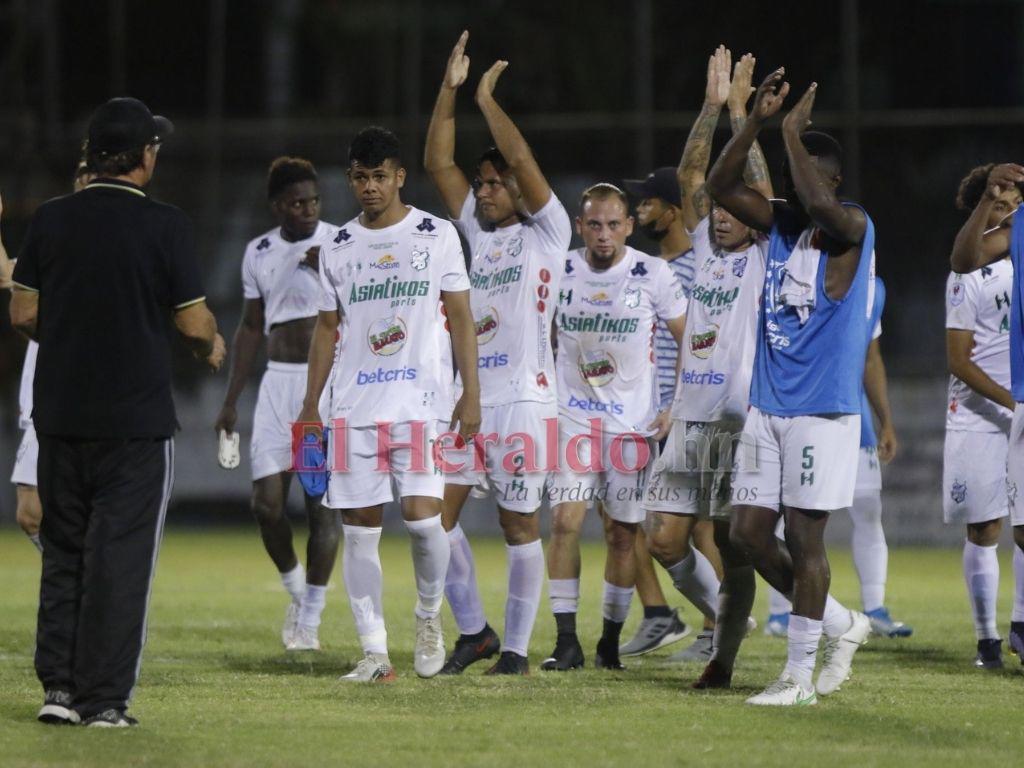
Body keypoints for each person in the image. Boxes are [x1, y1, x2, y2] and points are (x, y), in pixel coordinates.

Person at [10, 97, 225, 727]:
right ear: (144, 157)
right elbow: (191, 321)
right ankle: (104, 701)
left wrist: (77, 333)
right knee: (120, 561)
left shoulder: (49, 220)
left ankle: (59, 691)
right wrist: (209, 341)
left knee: (65, 555)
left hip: (60, 418)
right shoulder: (166, 226)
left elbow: (22, 314)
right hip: (133, 425)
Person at [706, 71, 873, 706]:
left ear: (827, 179)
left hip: (821, 412)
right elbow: (721, 186)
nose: (796, 188)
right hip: (767, 406)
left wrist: (794, 136)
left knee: (806, 541)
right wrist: (753, 121)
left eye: (807, 173)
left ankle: (797, 677)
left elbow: (824, 206)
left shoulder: (853, 224)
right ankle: (840, 624)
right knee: (746, 535)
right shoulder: (778, 224)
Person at [298, 125, 481, 682]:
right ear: (350, 178)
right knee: (360, 526)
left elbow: (463, 319)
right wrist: (311, 407)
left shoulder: (437, 234)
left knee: (425, 522)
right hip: (354, 406)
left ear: (399, 176)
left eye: (380, 176)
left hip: (421, 404)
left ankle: (428, 617)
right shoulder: (337, 245)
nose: (370, 187)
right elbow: (327, 329)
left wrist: (471, 394)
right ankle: (375, 651)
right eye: (360, 177)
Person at [424, 33, 571, 675]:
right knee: (431, 518)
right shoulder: (474, 238)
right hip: (471, 405)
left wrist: (486, 100)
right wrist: (449, 89)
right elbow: (436, 162)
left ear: (517, 188)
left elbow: (521, 155)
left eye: (493, 183)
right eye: (479, 184)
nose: (482, 191)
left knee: (518, 527)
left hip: (525, 403)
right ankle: (475, 631)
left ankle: (514, 650)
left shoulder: (550, 231)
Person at [642, 47, 770, 689]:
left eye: (731, 208)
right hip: (687, 418)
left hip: (735, 420)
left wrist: (744, 114)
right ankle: (724, 627)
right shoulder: (707, 249)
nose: (718, 215)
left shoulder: (765, 254)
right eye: (714, 208)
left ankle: (722, 659)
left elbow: (763, 189)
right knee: (662, 540)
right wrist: (712, 107)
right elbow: (693, 170)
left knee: (736, 547)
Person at [543, 183, 687, 671]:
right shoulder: (559, 270)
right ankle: (566, 641)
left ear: (628, 226)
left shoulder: (654, 274)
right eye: (594, 225)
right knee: (565, 522)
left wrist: (676, 404)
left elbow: (691, 340)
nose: (603, 235)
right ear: (580, 226)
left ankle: (608, 641)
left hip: (632, 426)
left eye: (613, 225)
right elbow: (540, 334)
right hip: (573, 417)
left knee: (624, 535)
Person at [214, 157, 341, 651]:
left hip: (319, 394)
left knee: (319, 506)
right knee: (266, 505)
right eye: (297, 203)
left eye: (313, 200)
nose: (308, 210)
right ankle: (295, 592)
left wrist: (327, 269)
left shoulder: (337, 242)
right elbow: (250, 327)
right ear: (277, 207)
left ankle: (310, 618)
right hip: (276, 389)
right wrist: (230, 400)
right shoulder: (259, 251)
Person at [766, 278, 912, 639]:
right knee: (791, 512)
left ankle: (875, 608)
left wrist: (885, 421)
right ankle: (780, 611)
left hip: (854, 417)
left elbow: (870, 357)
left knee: (868, 507)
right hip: (803, 411)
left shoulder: (874, 287)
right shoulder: (801, 278)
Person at [947, 162, 1024, 666]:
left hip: (1020, 407)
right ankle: (986, 638)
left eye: (1016, 199)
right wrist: (1012, 403)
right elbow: (958, 360)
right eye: (999, 202)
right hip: (980, 410)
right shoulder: (972, 270)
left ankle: (1019, 626)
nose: (1010, 208)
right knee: (985, 529)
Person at [1, 165, 94, 554]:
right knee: (30, 510)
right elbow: (9, 276)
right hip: (44, 389)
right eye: (82, 174)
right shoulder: (54, 235)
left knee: (85, 507)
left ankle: (94, 588)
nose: (87, 179)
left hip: (90, 386)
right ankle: (82, 582)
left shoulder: (120, 239)